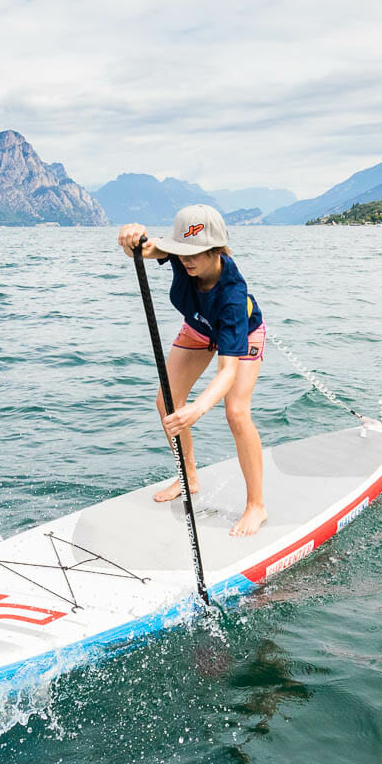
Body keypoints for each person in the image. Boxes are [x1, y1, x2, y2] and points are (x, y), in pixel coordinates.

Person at [117, 205, 267, 537]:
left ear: (217, 250)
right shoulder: (180, 253)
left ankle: (256, 505)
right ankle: (189, 475)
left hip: (241, 333)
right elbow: (142, 248)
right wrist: (130, 238)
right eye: (182, 251)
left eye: (195, 253)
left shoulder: (232, 296)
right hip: (199, 329)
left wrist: (198, 409)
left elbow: (227, 371)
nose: (186, 260)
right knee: (167, 402)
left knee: (237, 412)